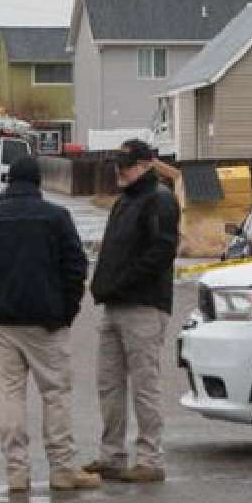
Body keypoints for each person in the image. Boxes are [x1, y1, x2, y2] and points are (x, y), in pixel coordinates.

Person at [0, 156, 96, 493]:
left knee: (10, 394)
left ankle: (17, 472)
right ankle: (63, 468)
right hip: (47, 321)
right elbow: (75, 267)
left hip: (1, 321)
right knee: (55, 394)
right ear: (38, 182)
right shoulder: (56, 217)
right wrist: (67, 309)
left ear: (9, 180)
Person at [85, 139, 181, 484]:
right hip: (114, 305)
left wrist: (120, 283)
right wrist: (103, 285)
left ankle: (150, 458)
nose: (119, 171)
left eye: (125, 165)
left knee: (145, 385)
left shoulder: (160, 200)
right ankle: (111, 455)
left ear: (145, 165)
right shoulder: (125, 200)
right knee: (108, 384)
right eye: (118, 165)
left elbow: (161, 252)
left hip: (143, 305)